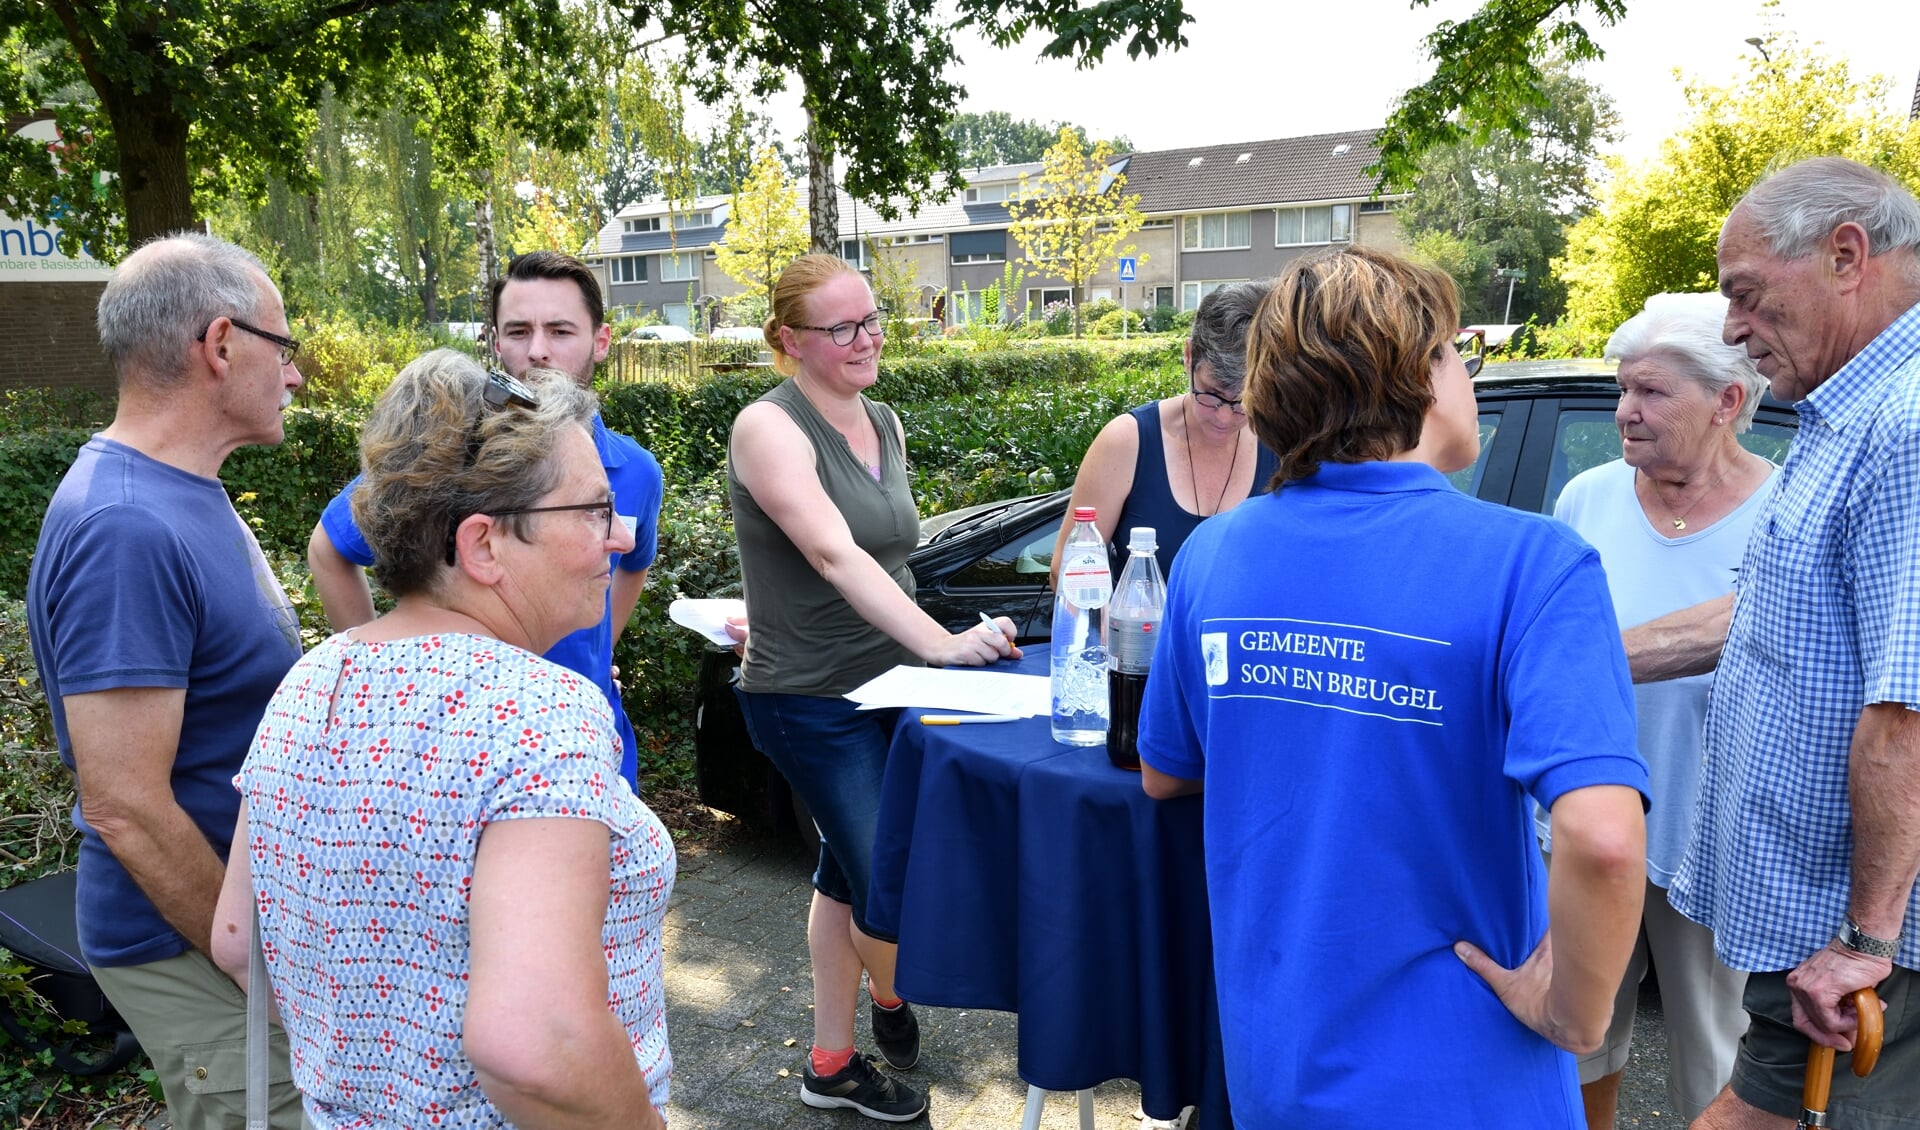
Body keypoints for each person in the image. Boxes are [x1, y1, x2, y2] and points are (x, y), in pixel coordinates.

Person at [1137, 245, 1649, 1126]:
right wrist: (1576, 1011)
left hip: (1280, 1067)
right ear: (1420, 372)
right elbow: (1603, 839)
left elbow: (1166, 770)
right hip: (1471, 1079)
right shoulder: (1536, 564)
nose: (1469, 376)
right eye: (1459, 352)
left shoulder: (1212, 554)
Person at [211, 351, 673, 1128]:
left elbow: (236, 942)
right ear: (484, 545)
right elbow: (537, 1047)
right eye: (594, 510)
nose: (620, 538)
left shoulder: (310, 682)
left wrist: (386, 1062)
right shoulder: (540, 713)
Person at [1623, 157, 1920, 1130]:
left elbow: (1905, 707)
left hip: (1862, 952)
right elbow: (1755, 622)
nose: (1734, 329)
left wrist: (1866, 936)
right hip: (1821, 930)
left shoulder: (1907, 424)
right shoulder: (1849, 414)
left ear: (1846, 255)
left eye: (1745, 294)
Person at [727, 253, 1018, 1122]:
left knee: (849, 878)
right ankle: (889, 991)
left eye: (873, 319)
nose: (868, 338)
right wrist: (944, 645)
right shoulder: (767, 426)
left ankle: (831, 1060)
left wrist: (944, 646)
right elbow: (827, 550)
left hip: (888, 682)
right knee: (888, 886)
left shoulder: (882, 418)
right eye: (842, 327)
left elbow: (886, 554)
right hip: (810, 698)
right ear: (789, 340)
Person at [25, 232, 306, 1128]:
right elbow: (125, 805)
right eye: (284, 347)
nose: (295, 375)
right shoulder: (126, 526)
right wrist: (248, 958)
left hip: (229, 928)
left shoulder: (185, 490)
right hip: (191, 943)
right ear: (221, 346)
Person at [1541, 292, 1773, 1127]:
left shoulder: (1779, 513)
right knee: (1579, 1039)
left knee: (1715, 1059)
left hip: (1715, 835)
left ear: (1728, 402)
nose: (1624, 412)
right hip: (1590, 821)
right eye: (1622, 388)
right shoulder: (1588, 499)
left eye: (1650, 392)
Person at [307, 251, 664, 788]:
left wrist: (596, 646)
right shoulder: (449, 459)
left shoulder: (635, 472)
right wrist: (377, 678)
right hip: (461, 755)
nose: (538, 352)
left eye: (561, 331)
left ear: (602, 341)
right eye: (518, 331)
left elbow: (632, 560)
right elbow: (329, 549)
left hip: (588, 745)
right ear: (496, 343)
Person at [1050, 281, 1279, 584]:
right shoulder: (1127, 442)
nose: (1224, 417)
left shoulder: (1281, 443)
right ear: (1188, 356)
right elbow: (1065, 573)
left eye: (1243, 402)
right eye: (1211, 394)